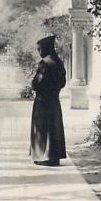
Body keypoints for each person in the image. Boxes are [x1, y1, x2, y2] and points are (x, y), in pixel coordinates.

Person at [29, 35, 67, 166]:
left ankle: (43, 156)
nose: (39, 52)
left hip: (42, 101)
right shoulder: (58, 62)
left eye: (39, 49)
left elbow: (36, 83)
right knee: (54, 126)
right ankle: (54, 157)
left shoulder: (44, 63)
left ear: (45, 48)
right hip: (54, 100)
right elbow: (63, 83)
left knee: (42, 127)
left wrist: (35, 85)